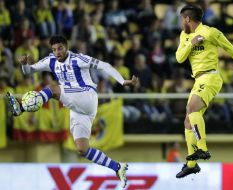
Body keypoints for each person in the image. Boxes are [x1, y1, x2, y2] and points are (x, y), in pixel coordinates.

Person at [6, 35, 138, 188]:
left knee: (52, 89)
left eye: (60, 48)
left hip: (87, 96)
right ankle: (118, 167)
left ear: (66, 47)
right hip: (77, 107)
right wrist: (24, 65)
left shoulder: (78, 59)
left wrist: (123, 81)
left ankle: (21, 107)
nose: (57, 52)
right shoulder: (50, 60)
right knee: (82, 148)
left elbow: (104, 65)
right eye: (54, 49)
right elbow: (29, 71)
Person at [175, 4, 233, 178]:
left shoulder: (210, 32)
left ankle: (203, 148)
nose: (180, 22)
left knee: (192, 109)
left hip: (210, 77)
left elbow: (228, 46)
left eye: (182, 19)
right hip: (198, 80)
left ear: (187, 19)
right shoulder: (185, 35)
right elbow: (179, 58)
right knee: (187, 122)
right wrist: (191, 43)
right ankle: (191, 164)